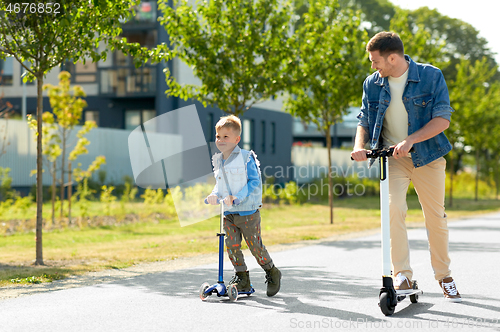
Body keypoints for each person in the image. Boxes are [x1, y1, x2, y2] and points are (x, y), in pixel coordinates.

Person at [351, 31, 461, 302]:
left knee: (435, 217)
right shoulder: (373, 83)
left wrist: (411, 140)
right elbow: (364, 118)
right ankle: (402, 274)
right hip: (393, 158)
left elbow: (442, 119)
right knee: (393, 209)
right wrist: (358, 146)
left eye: (375, 61)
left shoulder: (430, 76)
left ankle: (444, 276)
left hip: (428, 156)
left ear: (392, 57)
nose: (372, 66)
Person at [205, 115, 282, 297]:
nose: (220, 140)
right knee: (231, 245)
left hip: (247, 212)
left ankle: (272, 271)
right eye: (218, 136)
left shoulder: (247, 158)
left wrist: (237, 197)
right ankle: (242, 279)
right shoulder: (219, 160)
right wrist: (214, 195)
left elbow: (254, 182)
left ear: (237, 139)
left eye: (226, 137)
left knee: (255, 246)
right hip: (229, 212)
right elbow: (220, 184)